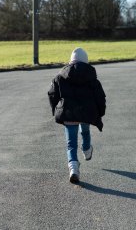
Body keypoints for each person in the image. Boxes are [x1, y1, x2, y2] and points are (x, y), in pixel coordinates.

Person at [48, 47, 106, 183]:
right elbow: (100, 97)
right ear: (86, 62)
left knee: (71, 144)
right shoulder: (92, 78)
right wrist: (100, 113)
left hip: (68, 114)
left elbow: (52, 94)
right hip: (86, 113)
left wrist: (54, 109)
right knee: (85, 131)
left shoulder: (60, 77)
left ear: (70, 61)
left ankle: (73, 168)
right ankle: (86, 149)